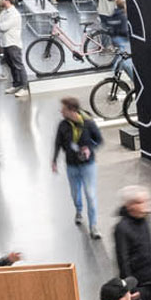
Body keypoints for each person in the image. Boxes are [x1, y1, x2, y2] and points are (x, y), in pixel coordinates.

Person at [51, 97, 103, 238]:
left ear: (72, 110)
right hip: (72, 165)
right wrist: (54, 160)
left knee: (90, 195)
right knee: (75, 193)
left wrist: (90, 149)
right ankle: (79, 210)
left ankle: (93, 226)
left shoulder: (88, 123)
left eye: (63, 109)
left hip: (88, 166)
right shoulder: (63, 125)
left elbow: (99, 140)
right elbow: (57, 143)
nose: (61, 111)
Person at [0, 0, 26, 94]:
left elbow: (3, 27)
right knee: (11, 65)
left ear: (7, 1)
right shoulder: (3, 12)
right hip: (5, 43)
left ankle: (24, 87)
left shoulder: (14, 14)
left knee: (18, 65)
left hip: (13, 43)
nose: (1, 1)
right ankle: (16, 84)